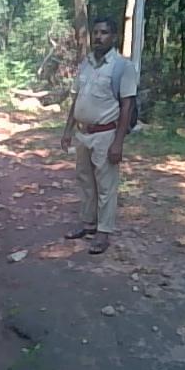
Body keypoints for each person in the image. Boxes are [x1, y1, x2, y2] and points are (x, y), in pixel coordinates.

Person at [60, 16, 137, 254]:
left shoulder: (122, 67)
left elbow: (127, 105)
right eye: (96, 33)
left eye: (104, 33)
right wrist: (68, 130)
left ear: (113, 36)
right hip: (83, 133)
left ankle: (104, 232)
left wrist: (118, 143)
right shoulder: (86, 64)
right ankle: (88, 224)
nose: (98, 37)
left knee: (106, 185)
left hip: (106, 134)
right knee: (85, 181)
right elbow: (76, 99)